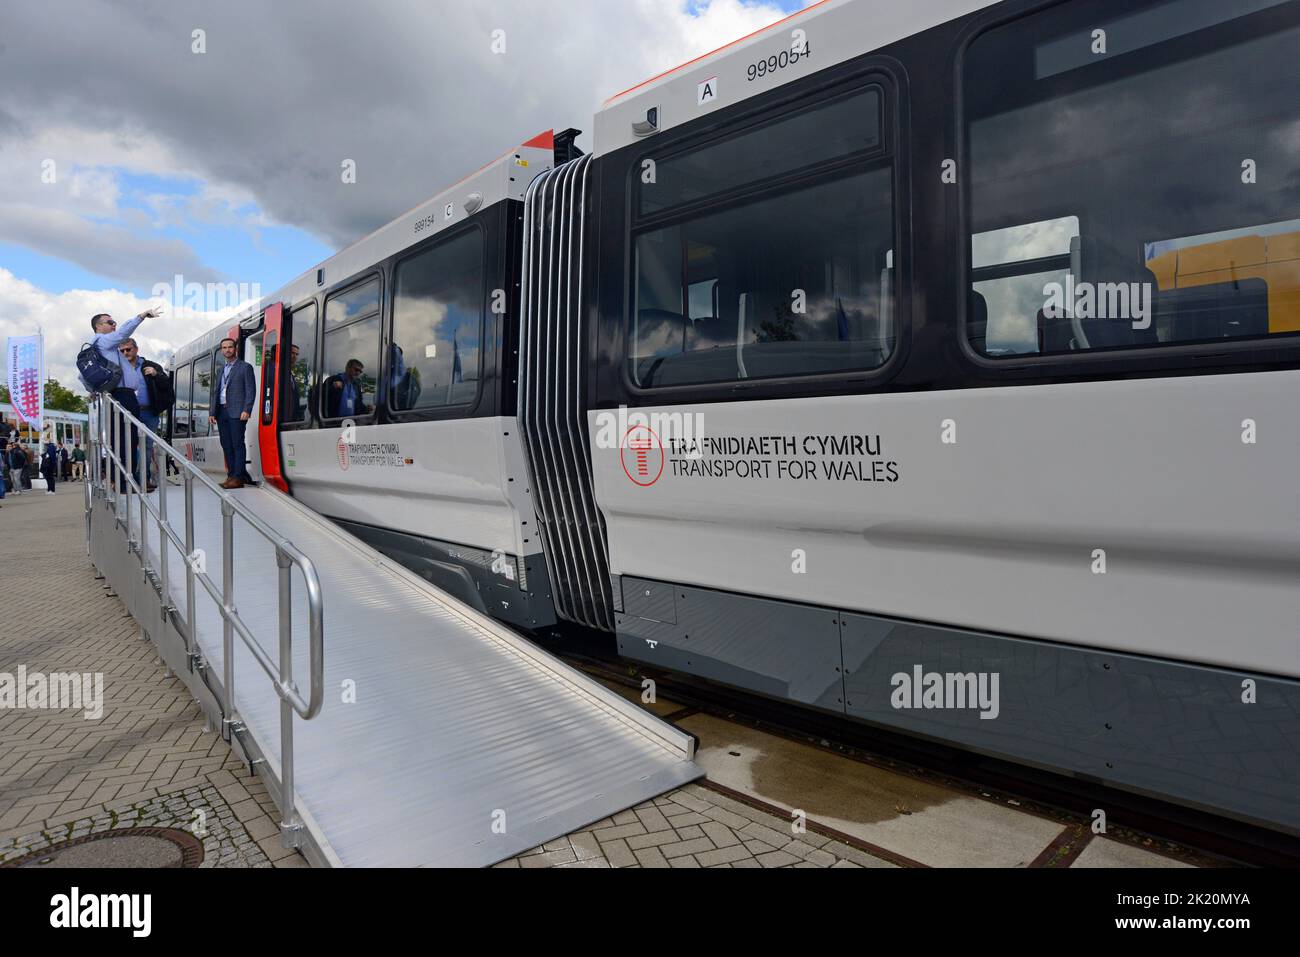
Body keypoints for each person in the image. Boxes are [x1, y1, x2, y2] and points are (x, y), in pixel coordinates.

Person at [90, 306, 162, 490]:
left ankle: (125, 480)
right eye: (110, 322)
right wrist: (141, 316)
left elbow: (82, 377)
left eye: (114, 322)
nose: (114, 325)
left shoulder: (101, 347)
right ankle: (123, 482)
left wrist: (95, 390)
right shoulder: (103, 341)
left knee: (126, 440)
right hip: (122, 395)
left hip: (121, 395)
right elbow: (123, 333)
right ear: (99, 326)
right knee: (125, 441)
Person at [117, 337, 174, 491]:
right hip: (127, 413)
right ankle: (130, 480)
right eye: (122, 351)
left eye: (128, 349)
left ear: (136, 349)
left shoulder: (151, 366)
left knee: (147, 446)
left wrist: (156, 374)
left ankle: (144, 479)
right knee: (128, 446)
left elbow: (167, 384)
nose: (125, 353)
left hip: (148, 412)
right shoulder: (118, 367)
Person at [207, 337, 256, 489]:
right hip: (222, 412)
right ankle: (231, 475)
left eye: (230, 347)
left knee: (237, 444)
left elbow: (250, 390)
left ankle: (238, 477)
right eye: (224, 348)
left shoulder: (245, 367)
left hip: (237, 411)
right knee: (226, 445)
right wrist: (212, 412)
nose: (227, 350)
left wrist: (246, 409)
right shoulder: (221, 369)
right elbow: (216, 392)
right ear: (221, 350)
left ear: (235, 349)